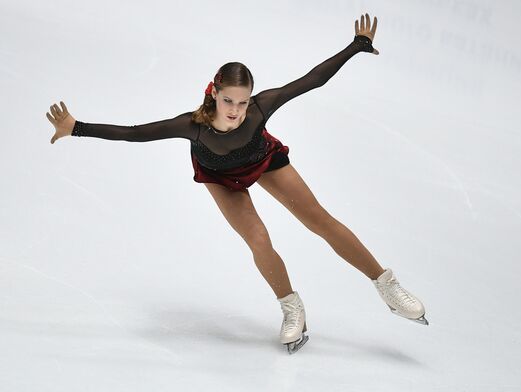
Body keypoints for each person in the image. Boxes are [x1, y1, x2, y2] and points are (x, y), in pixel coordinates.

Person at [46, 12, 428, 355]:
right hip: (221, 176)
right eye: (229, 100)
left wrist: (356, 47)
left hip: (263, 159)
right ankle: (292, 307)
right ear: (214, 92)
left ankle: (387, 286)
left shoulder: (261, 108)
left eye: (242, 103)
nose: (235, 110)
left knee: (318, 219)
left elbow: (312, 80)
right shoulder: (192, 126)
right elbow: (134, 134)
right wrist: (75, 128)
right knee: (258, 239)